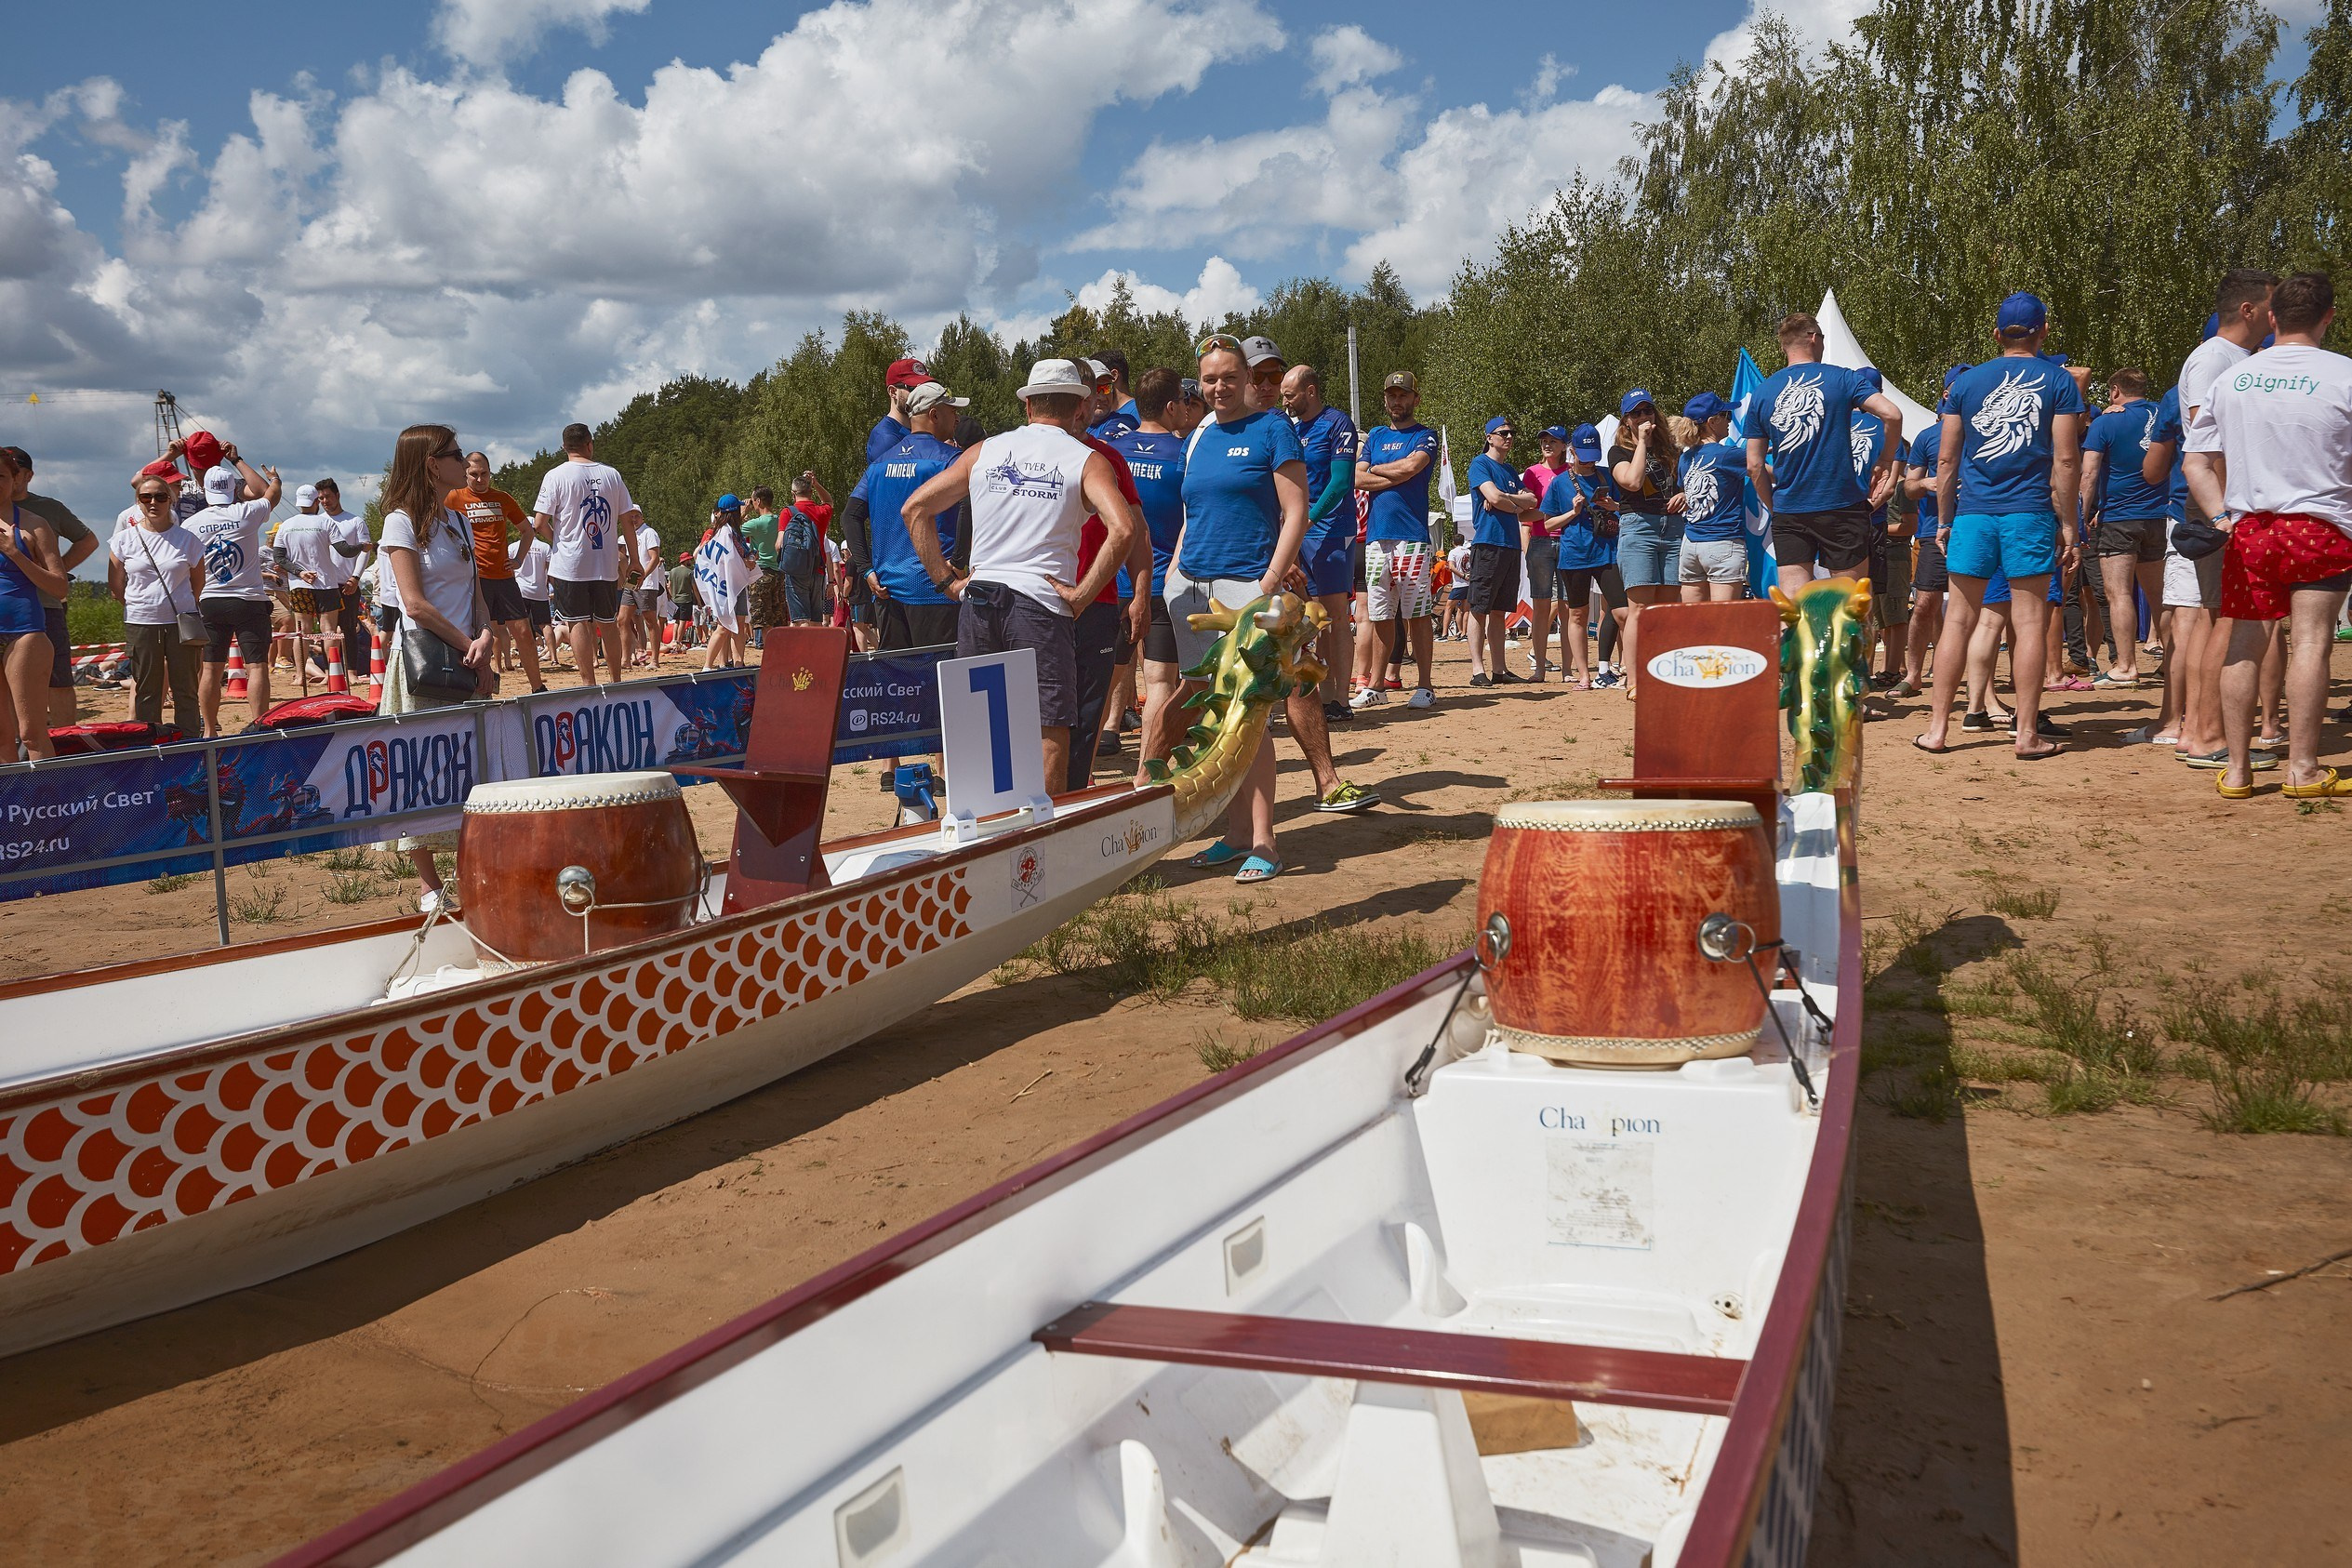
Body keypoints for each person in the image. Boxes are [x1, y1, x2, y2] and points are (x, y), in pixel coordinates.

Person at [899, 359, 1135, 790]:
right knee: (1050, 728)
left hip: (980, 599)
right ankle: (1047, 828)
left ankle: (979, 821)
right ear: (1079, 408)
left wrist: (947, 582)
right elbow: (1124, 529)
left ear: (1028, 406)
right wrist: (1082, 595)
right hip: (1040, 605)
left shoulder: (984, 451)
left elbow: (915, 509)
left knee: (977, 727)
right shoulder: (1088, 460)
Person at [2185, 271, 2352, 798]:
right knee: (2311, 644)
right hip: (2322, 527)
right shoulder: (2345, 375)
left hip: (2252, 528)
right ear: (2328, 317)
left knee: (2243, 642)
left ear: (2273, 316)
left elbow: (2196, 462)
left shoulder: (2233, 379)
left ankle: (2237, 771)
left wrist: (2221, 518)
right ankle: (2302, 769)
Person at [1163, 335, 1313, 881]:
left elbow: (1297, 511)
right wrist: (1173, 576)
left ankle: (1266, 842)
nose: (1219, 387)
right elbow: (1191, 514)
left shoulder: (1273, 429)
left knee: (1250, 716)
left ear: (1247, 379)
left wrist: (1267, 582)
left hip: (1245, 589)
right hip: (1192, 589)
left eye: (1229, 377)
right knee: (1216, 714)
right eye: (1210, 379)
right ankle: (1234, 834)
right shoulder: (1199, 435)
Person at [1915, 292, 2087, 757]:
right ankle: (2026, 734)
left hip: (1973, 514)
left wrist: (1945, 518)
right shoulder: (2058, 380)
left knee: (1958, 622)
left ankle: (1936, 730)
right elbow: (2066, 461)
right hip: (2029, 514)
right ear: (2042, 331)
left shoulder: (1966, 383)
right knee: (2029, 624)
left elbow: (1946, 459)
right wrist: (2070, 526)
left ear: (1997, 335)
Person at [2144, 270, 2280, 767]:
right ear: (2249, 309)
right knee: (2221, 620)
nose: (2277, 315)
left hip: (2220, 506)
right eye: (2272, 305)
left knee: (2212, 618)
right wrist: (2228, 509)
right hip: (2219, 508)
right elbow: (2210, 441)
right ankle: (2204, 735)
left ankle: (2197, 732)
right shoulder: (2214, 359)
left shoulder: (2235, 358)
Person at [377, 425, 492, 913]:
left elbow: (476, 593)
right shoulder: (400, 523)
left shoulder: (458, 520)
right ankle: (429, 885)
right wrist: (470, 645)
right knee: (421, 767)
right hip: (426, 661)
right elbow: (414, 604)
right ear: (431, 464)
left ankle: (472, 871)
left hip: (468, 658)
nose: (464, 463)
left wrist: (486, 637)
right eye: (456, 455)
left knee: (470, 764)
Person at [1745, 313, 1907, 602]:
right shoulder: (1843, 378)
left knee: (1792, 603)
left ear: (1784, 346)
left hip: (1790, 509)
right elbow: (1892, 414)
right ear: (1813, 337)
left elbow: (1754, 465)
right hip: (1842, 505)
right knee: (1851, 604)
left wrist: (1775, 508)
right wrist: (1884, 460)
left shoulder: (1763, 392)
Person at [1114, 370, 1194, 777]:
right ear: (1170, 406)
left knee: (1102, 682)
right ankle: (1146, 775)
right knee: (1160, 682)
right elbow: (1194, 519)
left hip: (1111, 580)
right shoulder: (1185, 454)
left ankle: (1080, 776)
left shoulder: (1111, 451)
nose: (1187, 407)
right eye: (1184, 400)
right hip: (1163, 581)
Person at [853, 380, 971, 653]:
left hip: (887, 591)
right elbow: (969, 505)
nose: (957, 417)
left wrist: (866, 569)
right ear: (934, 415)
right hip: (936, 590)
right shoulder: (951, 459)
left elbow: (851, 515)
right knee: (940, 675)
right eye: (952, 410)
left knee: (898, 676)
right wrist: (958, 562)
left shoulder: (879, 464)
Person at [1354, 370, 1440, 709]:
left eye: (1403, 395)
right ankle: (1376, 685)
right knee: (1379, 614)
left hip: (1412, 537)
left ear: (1415, 399)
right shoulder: (1375, 435)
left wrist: (1378, 469)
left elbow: (1412, 468)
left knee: (1417, 612)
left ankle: (1425, 685)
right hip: (1377, 538)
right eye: (1391, 395)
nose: (1396, 401)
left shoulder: (1425, 435)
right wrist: (1394, 472)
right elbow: (1357, 478)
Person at [531, 422, 641, 685]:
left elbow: (539, 523)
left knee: (577, 623)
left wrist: (559, 541)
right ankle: (616, 681)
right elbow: (627, 521)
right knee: (608, 623)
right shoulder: (612, 475)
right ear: (590, 444)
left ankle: (588, 684)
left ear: (564, 447)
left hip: (570, 563)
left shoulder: (555, 475)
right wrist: (635, 560)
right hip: (605, 562)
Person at [2080, 369, 2168, 689]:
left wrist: (2080, 517)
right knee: (2159, 595)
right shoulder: (2162, 413)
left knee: (2118, 593)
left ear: (2115, 390)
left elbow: (2089, 474)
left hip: (2119, 516)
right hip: (2159, 515)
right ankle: (2173, 661)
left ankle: (2126, 666)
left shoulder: (2105, 422)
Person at [187, 446, 285, 734]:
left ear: (206, 491)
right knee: (257, 667)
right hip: (249, 599)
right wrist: (268, 475)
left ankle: (209, 730)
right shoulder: (246, 512)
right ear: (233, 490)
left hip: (210, 599)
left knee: (211, 668)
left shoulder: (191, 523)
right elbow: (271, 494)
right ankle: (259, 727)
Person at [1282, 364, 1360, 722]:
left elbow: (1340, 482)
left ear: (1310, 391)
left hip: (1330, 529)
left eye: (1290, 395)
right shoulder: (1290, 428)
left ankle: (1340, 699)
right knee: (1309, 618)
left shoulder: (1337, 423)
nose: (1285, 402)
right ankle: (1318, 695)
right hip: (1298, 532)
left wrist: (1307, 519)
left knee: (1334, 616)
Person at [2, 448, 99, 730]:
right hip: (8, 611)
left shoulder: (47, 509)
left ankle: (67, 740)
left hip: (44, 607)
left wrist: (53, 569)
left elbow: (88, 541)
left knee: (59, 680)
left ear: (26, 475)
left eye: (11, 472)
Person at [108, 471, 204, 734]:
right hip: (141, 622)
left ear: (171, 500)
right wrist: (141, 604)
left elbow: (198, 582)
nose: (153, 502)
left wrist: (182, 604)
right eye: (146, 497)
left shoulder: (188, 540)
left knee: (186, 689)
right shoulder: (123, 540)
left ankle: (190, 743)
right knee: (146, 689)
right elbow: (116, 585)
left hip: (181, 623)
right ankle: (151, 743)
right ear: (138, 502)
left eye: (160, 497)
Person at [1608, 391, 1688, 699]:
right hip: (1639, 528)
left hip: (1673, 528)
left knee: (1667, 610)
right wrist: (1641, 442)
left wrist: (1685, 494)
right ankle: (1635, 680)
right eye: (1636, 413)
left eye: (1648, 411)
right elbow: (1631, 481)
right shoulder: (1618, 451)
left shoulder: (1672, 450)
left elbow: (1689, 482)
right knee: (1639, 609)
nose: (1644, 417)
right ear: (1626, 421)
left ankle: (1664, 675)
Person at [446, 453, 546, 693]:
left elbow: (528, 531)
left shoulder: (502, 498)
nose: (480, 479)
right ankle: (476, 689)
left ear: (490, 473)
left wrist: (519, 559)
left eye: (484, 474)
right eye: (474, 474)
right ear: (465, 474)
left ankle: (538, 687)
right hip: (474, 578)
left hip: (504, 577)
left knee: (524, 632)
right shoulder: (454, 497)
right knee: (476, 636)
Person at [1900, 365, 1969, 696]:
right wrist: (1925, 483)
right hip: (1932, 533)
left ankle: (1979, 683)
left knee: (1980, 606)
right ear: (1946, 394)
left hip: (1974, 528)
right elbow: (1909, 486)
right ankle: (1913, 674)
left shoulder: (1983, 430)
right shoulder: (1927, 437)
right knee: (1925, 603)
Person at [1539, 425, 1622, 689]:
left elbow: (1628, 510)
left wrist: (1615, 506)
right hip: (1574, 555)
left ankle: (1610, 667)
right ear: (1572, 451)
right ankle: (1584, 675)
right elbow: (1548, 524)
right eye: (1584, 455)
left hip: (1607, 552)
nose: (1589, 461)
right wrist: (1572, 513)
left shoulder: (1608, 475)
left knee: (1621, 610)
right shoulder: (1559, 482)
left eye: (1593, 456)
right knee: (1577, 614)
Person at [0, 448, 67, 759]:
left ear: (15, 479)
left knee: (31, 734)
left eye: (1, 476)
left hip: (24, 631)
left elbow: (60, 587)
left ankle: (48, 791)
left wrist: (15, 554)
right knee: (1, 736)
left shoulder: (34, 525)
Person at [1467, 417, 1537, 684]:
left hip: (1510, 545)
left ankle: (1499, 670)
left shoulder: (1508, 470)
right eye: (1503, 433)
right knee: (1479, 608)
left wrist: (1506, 500)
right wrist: (1508, 501)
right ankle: (1478, 671)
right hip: (1488, 543)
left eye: (1511, 433)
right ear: (1489, 438)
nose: (1509, 437)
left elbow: (1530, 502)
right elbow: (1495, 497)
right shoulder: (1480, 464)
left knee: (1499, 611)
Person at [272, 484, 352, 682]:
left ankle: (300, 676)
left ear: (298, 503)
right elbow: (345, 550)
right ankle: (332, 675)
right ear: (317, 501)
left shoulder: (286, 525)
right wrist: (363, 547)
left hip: (299, 584)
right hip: (326, 583)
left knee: (302, 632)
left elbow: (279, 558)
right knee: (329, 631)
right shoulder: (326, 523)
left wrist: (299, 572)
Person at [1676, 393, 1749, 604]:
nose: (1730, 421)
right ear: (1712, 421)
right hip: (1722, 542)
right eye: (1726, 415)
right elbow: (1764, 471)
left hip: (1690, 545)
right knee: (1722, 619)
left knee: (1692, 619)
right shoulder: (1728, 454)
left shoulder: (1685, 458)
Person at [1519, 427, 1571, 681]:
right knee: (1540, 607)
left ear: (1564, 446)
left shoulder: (1572, 472)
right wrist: (1551, 512)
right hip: (1541, 542)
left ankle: (1568, 670)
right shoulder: (1532, 473)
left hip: (1569, 541)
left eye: (1553, 441)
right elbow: (1523, 515)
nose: (1547, 445)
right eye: (1544, 441)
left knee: (1568, 608)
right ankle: (1539, 667)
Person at [509, 527, 558, 670]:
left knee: (522, 625)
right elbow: (550, 571)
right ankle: (554, 658)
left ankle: (525, 660)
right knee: (546, 625)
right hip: (540, 592)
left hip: (520, 591)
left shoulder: (513, 547)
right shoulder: (545, 547)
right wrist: (555, 588)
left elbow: (509, 569)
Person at [869, 357, 934, 461]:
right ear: (893, 392)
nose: (922, 394)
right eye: (914, 389)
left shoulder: (921, 429)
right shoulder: (886, 439)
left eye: (926, 388)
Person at [1088, 351, 1139, 439]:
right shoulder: (1081, 424)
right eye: (1095, 389)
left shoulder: (1134, 414)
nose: (1102, 397)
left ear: (1114, 375)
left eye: (1106, 388)